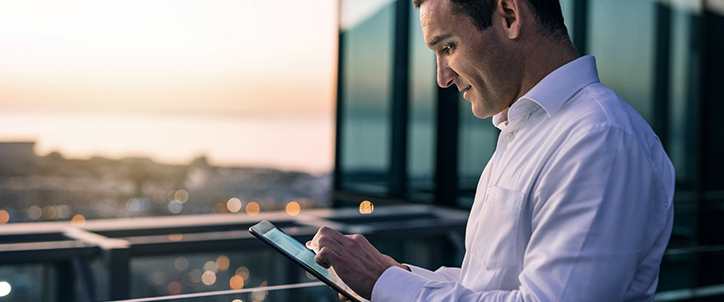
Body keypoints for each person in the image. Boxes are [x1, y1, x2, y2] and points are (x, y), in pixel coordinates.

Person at [309, 0, 675, 301]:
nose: (442, 77)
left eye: (447, 47)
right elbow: (486, 283)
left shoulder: (600, 139)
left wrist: (384, 283)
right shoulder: (526, 131)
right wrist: (394, 276)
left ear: (509, 16)